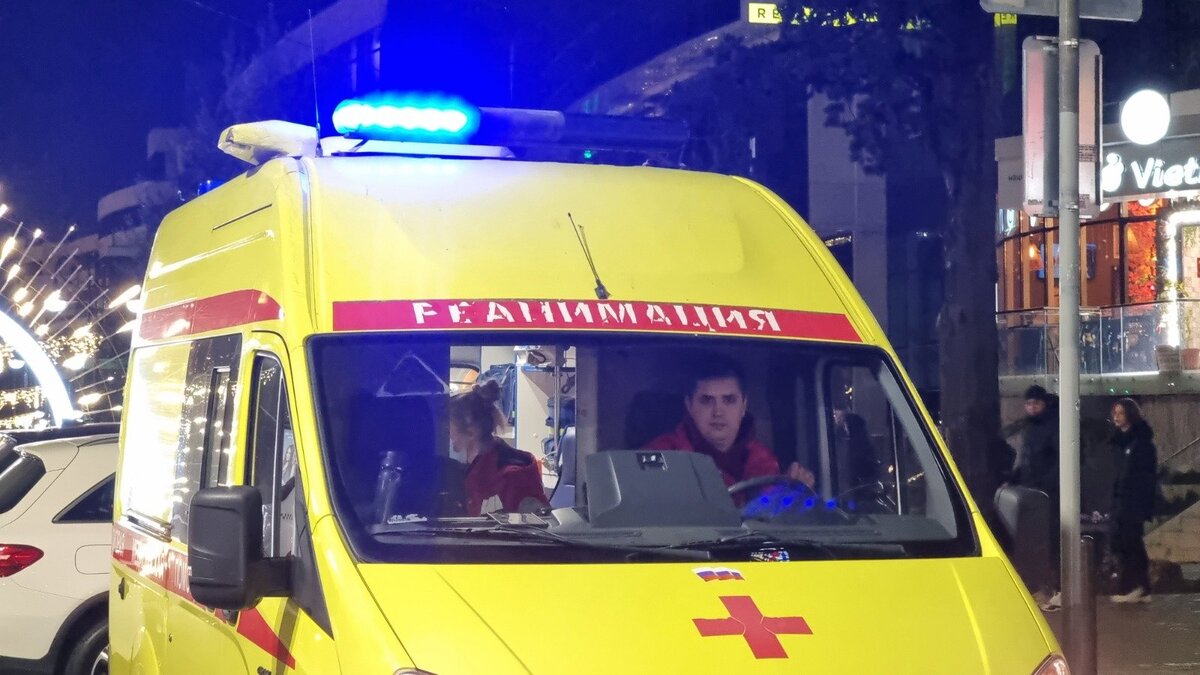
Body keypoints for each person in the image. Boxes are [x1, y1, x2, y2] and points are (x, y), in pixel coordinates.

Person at [645, 358, 815, 490]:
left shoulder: (764, 461)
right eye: (707, 400)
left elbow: (770, 518)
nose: (718, 412)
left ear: (744, 406)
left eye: (729, 400)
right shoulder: (661, 455)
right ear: (689, 406)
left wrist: (790, 494)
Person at [449, 380, 550, 515]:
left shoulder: (512, 478)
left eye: (450, 429)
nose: (448, 435)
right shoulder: (473, 469)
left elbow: (528, 525)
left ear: (471, 432)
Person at [1005, 385, 1062, 610]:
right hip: (1033, 491)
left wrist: (1046, 484)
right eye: (1028, 404)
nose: (1031, 408)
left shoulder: (1052, 426)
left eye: (1036, 403)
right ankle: (1043, 589)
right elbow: (1028, 459)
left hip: (1048, 494)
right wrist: (1016, 477)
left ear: (1044, 404)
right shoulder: (1031, 428)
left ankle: (1056, 589)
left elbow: (1057, 460)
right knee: (1037, 543)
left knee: (1052, 542)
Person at [1108, 398, 1158, 604]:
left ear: (1130, 414)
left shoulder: (1141, 444)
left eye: (1120, 413)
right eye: (1115, 413)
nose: (1116, 417)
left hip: (1133, 502)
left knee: (1131, 542)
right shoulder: (1118, 443)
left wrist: (1141, 503)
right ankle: (1138, 586)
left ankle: (1136, 586)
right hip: (1120, 499)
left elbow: (1145, 476)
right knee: (1123, 542)